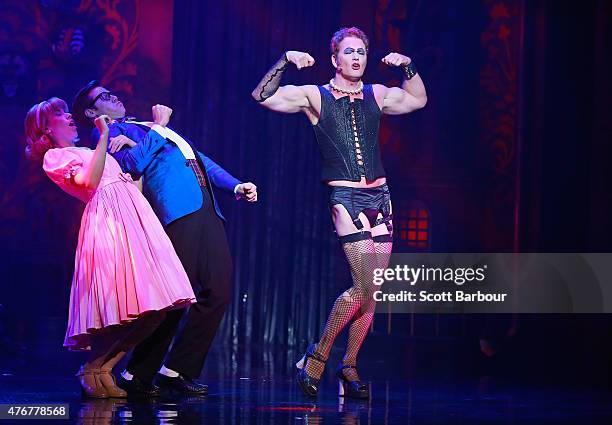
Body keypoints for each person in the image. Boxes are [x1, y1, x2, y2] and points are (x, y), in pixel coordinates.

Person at [252, 27, 427, 398]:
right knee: (361, 285)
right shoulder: (314, 96)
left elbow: (417, 101)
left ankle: (349, 366)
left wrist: (408, 68)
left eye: (362, 52)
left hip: (380, 196)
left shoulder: (376, 94)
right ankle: (316, 356)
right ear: (335, 59)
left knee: (373, 291)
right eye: (349, 52)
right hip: (344, 196)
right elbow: (262, 96)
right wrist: (284, 61)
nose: (357, 58)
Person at [71, 81, 258, 396]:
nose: (113, 95)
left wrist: (236, 185)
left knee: (220, 290)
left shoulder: (146, 127)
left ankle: (176, 369)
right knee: (175, 298)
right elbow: (131, 166)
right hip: (174, 211)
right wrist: (159, 128)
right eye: (103, 96)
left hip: (206, 206)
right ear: (92, 112)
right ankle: (137, 372)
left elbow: (199, 160)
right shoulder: (111, 134)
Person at [24, 97, 196, 398]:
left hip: (134, 218)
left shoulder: (92, 150)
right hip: (109, 222)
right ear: (46, 129)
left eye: (67, 112)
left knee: (158, 308)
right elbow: (89, 183)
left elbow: (126, 178)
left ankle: (104, 368)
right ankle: (92, 368)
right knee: (124, 308)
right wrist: (104, 137)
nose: (68, 117)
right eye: (60, 114)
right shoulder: (56, 157)